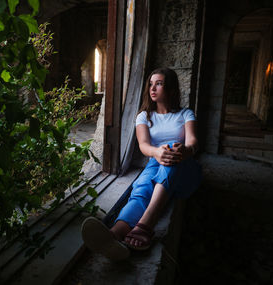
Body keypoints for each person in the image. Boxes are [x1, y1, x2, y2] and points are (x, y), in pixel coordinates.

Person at [81, 67, 202, 260]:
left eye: (159, 84)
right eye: (151, 84)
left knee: (171, 152)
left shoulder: (185, 114)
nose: (152, 88)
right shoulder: (144, 116)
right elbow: (144, 146)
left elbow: (193, 142)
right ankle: (114, 235)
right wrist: (158, 152)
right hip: (155, 163)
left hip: (184, 168)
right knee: (141, 188)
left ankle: (145, 226)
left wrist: (182, 151)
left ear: (171, 88)